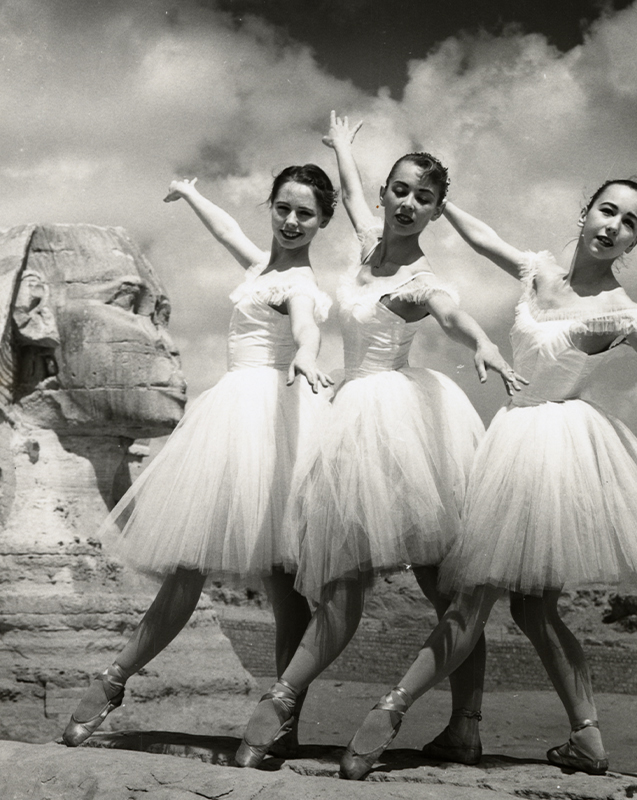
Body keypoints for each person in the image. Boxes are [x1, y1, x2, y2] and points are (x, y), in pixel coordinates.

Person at [337, 178, 637, 779]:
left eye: (630, 222)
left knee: (475, 601)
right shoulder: (538, 270)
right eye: (607, 210)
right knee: (534, 612)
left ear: (634, 241)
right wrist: (442, 200)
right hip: (511, 440)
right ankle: (583, 737)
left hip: (548, 452)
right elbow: (484, 238)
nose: (614, 225)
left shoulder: (620, 313)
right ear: (586, 212)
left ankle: (389, 712)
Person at [231, 113, 528, 769]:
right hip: (348, 417)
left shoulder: (422, 281)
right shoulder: (368, 240)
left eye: (422, 198)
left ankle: (464, 725)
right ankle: (281, 706)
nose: (406, 203)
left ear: (437, 211)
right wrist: (344, 152)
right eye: (400, 189)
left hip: (405, 427)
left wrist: (483, 345)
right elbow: (358, 199)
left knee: (444, 591)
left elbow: (451, 314)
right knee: (340, 585)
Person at [59, 166, 341, 747]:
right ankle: (113, 681)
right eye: (283, 208)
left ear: (324, 221)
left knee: (286, 582)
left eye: (305, 213)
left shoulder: (301, 286)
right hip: (235, 417)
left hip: (274, 418)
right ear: (272, 206)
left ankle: (283, 719)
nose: (291, 221)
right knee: (189, 568)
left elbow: (307, 326)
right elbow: (228, 232)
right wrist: (191, 196)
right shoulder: (262, 267)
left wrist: (309, 354)